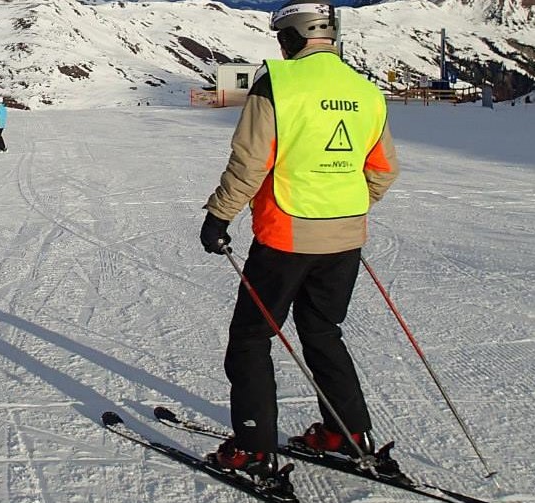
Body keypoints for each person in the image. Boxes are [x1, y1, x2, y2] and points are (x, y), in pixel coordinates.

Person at [199, 0, 399, 497]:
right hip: (345, 237)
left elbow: (250, 163)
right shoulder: (365, 91)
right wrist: (345, 206)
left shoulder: (278, 86)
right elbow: (382, 169)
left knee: (251, 338)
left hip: (287, 236)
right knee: (322, 331)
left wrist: (219, 216)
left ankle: (252, 447)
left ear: (290, 38)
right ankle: (347, 434)